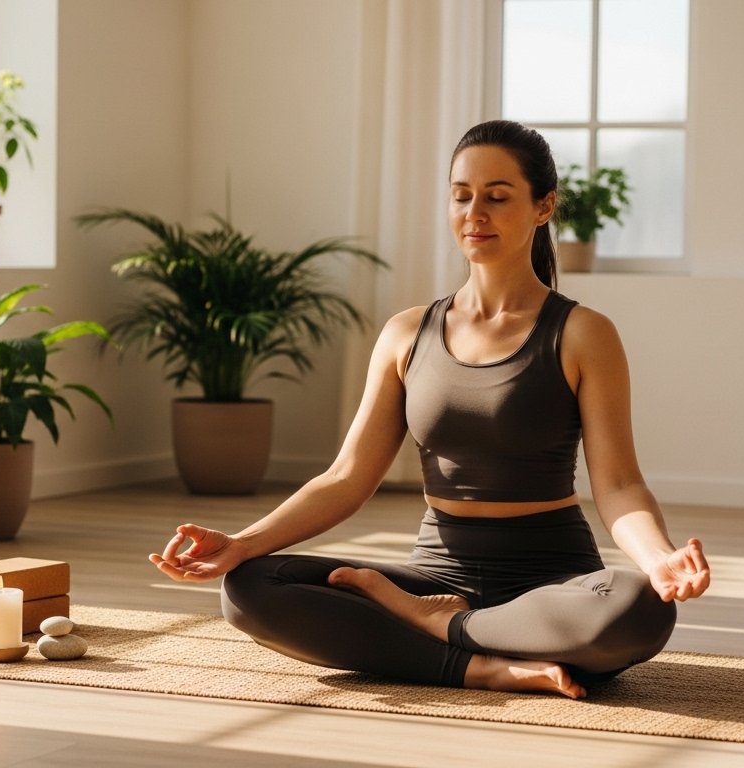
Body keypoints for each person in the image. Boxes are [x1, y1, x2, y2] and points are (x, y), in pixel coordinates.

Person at [149, 119, 711, 699]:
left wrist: (659, 558)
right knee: (252, 586)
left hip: (550, 578)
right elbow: (346, 479)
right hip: (434, 573)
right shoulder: (406, 334)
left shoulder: (582, 333)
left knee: (639, 607)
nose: (475, 213)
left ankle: (441, 629)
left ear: (544, 207)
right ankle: (483, 664)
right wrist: (242, 543)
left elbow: (619, 484)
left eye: (497, 197)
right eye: (461, 195)